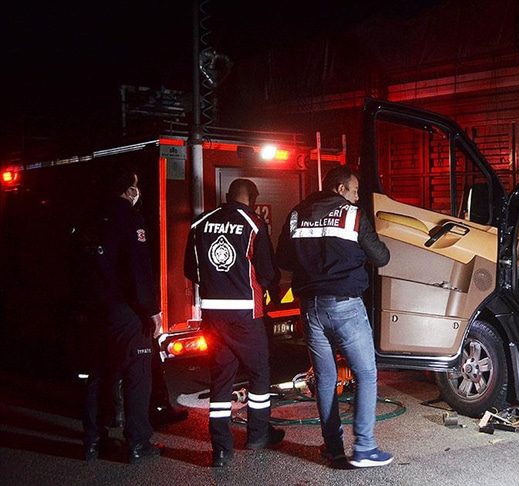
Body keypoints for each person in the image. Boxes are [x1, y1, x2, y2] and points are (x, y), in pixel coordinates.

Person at [275, 166, 393, 468]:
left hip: (311, 308)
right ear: (340, 189)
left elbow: (284, 259)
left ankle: (333, 448)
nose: (356, 197)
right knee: (365, 374)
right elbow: (380, 257)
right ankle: (365, 447)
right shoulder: (353, 215)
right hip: (345, 306)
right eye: (354, 191)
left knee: (326, 379)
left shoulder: (297, 213)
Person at [184, 178, 284, 468]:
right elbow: (267, 271)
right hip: (245, 315)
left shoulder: (200, 223)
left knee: (221, 377)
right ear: (253, 199)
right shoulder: (253, 224)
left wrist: (219, 285)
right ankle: (257, 435)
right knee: (259, 371)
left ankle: (221, 449)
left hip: (213, 315)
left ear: (227, 196)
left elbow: (191, 269)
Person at [81, 166, 163, 464]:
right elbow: (139, 271)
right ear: (130, 191)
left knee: (98, 376)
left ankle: (92, 441)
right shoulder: (131, 219)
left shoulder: (89, 220)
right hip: (128, 314)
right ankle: (138, 443)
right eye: (135, 186)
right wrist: (152, 311)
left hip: (95, 312)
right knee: (136, 377)